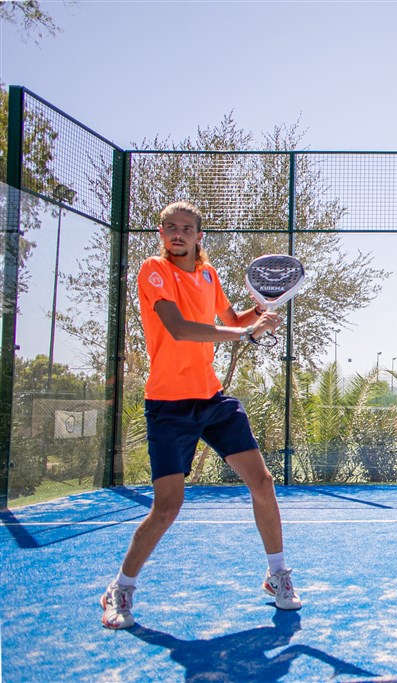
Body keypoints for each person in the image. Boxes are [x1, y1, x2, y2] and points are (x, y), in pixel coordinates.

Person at [101, 201, 301, 630]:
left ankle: (277, 574)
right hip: (169, 406)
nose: (178, 234)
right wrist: (245, 331)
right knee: (167, 507)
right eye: (171, 227)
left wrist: (258, 317)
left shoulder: (209, 275)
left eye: (186, 228)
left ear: (199, 236)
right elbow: (179, 328)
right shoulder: (154, 271)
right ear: (161, 233)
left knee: (262, 483)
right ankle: (120, 588)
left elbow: (229, 319)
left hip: (212, 400)